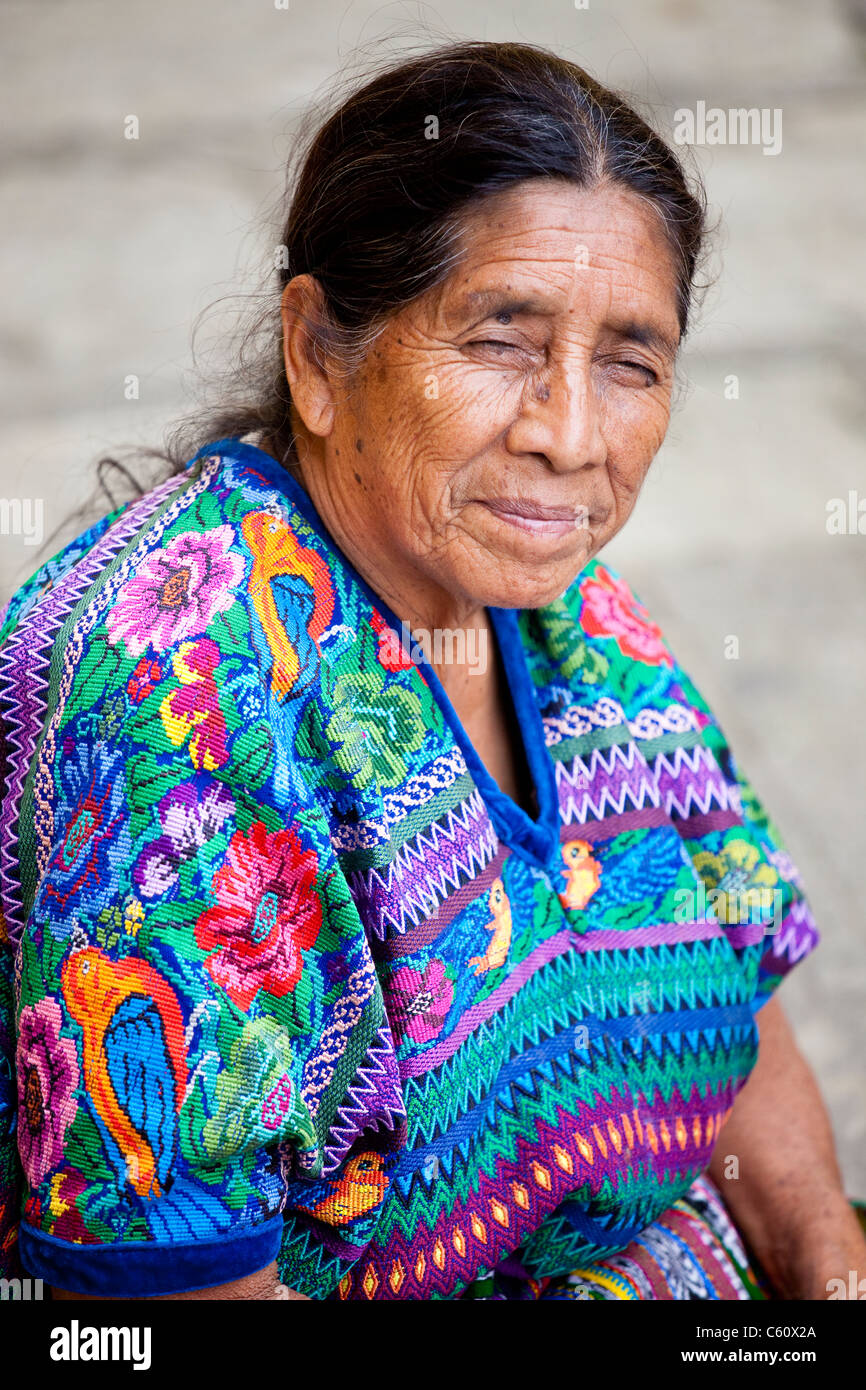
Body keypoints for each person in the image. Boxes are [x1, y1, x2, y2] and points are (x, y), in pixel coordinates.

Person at [1, 40, 863, 1302]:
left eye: (629, 360)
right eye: (502, 341)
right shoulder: (170, 693)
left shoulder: (556, 596)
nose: (570, 436)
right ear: (316, 354)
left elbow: (737, 987)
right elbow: (165, 1295)